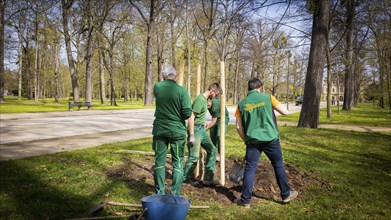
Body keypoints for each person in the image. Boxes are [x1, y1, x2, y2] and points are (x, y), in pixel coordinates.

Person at [234, 78, 298, 208]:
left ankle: (245, 200)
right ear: (260, 88)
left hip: (252, 141)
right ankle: (285, 195)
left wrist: (246, 140)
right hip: (271, 139)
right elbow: (285, 112)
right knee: (278, 165)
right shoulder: (268, 98)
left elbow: (238, 127)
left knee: (250, 169)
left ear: (249, 89)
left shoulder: (241, 104)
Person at [152, 64, 192, 195]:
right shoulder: (182, 91)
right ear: (175, 76)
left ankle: (160, 192)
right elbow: (187, 113)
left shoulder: (157, 87)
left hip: (160, 131)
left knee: (159, 161)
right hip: (177, 132)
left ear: (163, 77)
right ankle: (174, 193)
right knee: (178, 162)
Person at [183, 83, 221, 186]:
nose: (216, 96)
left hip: (201, 130)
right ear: (212, 91)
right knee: (194, 156)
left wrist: (203, 122)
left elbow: (199, 115)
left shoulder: (205, 100)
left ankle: (208, 179)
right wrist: (191, 134)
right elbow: (191, 117)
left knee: (212, 150)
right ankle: (185, 179)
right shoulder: (200, 99)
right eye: (216, 94)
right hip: (195, 130)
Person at [206, 97, 230, 161]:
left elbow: (213, 121)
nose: (207, 106)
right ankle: (215, 154)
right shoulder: (207, 105)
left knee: (219, 135)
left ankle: (221, 154)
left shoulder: (215, 105)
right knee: (212, 136)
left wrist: (205, 129)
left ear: (210, 101)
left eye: (208, 104)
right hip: (216, 118)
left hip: (223, 118)